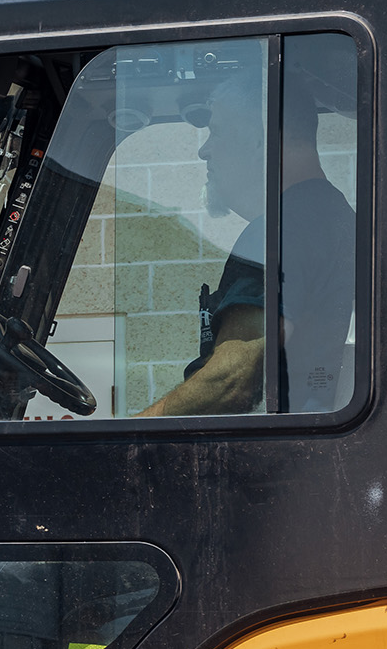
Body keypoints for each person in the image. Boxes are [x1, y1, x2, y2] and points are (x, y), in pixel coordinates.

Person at [140, 48, 355, 417]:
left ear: (262, 138)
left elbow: (231, 382)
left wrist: (135, 431)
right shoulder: (328, 217)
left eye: (217, 131)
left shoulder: (280, 231)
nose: (204, 150)